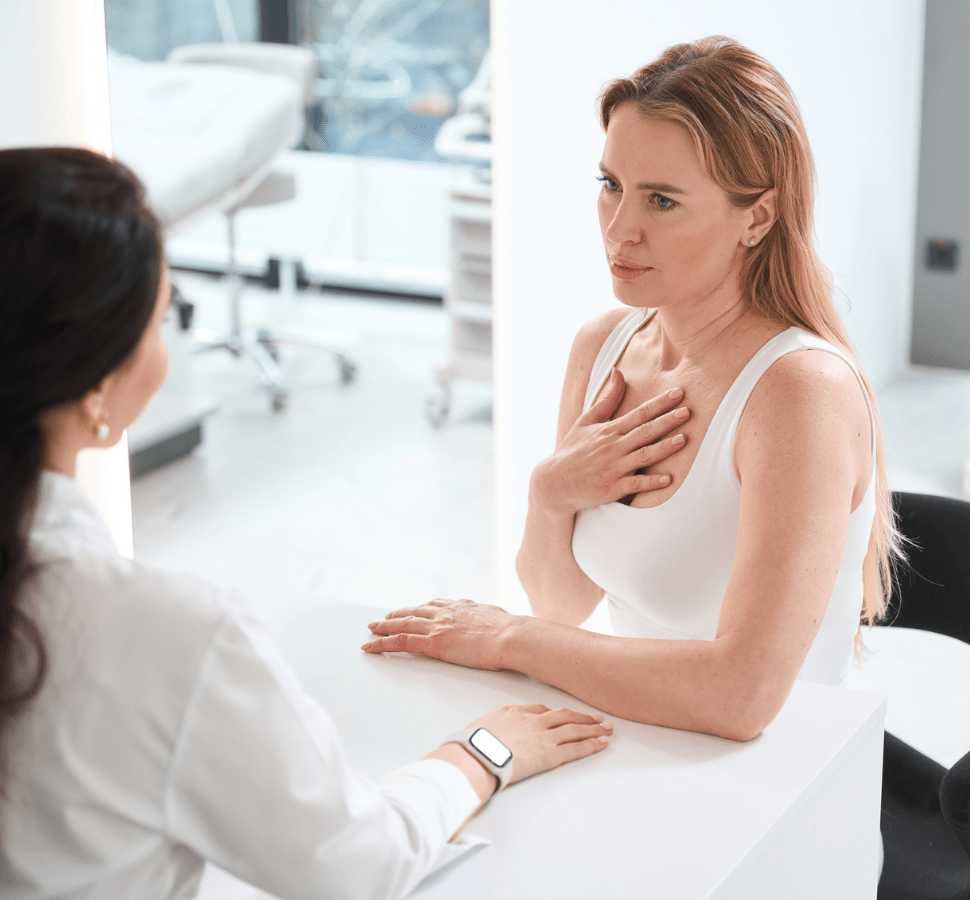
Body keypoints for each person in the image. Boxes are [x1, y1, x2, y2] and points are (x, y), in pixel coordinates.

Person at [0, 147, 612, 900]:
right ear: (97, 384)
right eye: (161, 321)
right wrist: (483, 752)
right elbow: (358, 865)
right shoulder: (155, 634)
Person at [362, 36, 904, 743]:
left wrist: (506, 638)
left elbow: (741, 698)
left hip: (779, 770)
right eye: (611, 185)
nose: (620, 229)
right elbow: (560, 605)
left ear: (758, 217)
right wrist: (550, 493)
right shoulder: (605, 348)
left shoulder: (799, 394)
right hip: (640, 737)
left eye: (662, 200)